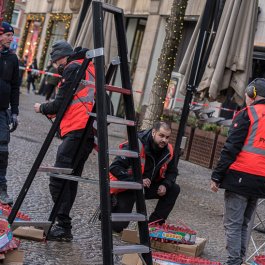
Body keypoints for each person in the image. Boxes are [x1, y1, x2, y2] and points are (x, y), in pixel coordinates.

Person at [210, 78, 265, 265]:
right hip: (260, 181)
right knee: (243, 224)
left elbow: (231, 148)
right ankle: (238, 263)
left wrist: (217, 176)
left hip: (240, 177)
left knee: (233, 224)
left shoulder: (248, 114)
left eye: (246, 94)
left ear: (251, 93)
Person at [34, 40, 95, 241]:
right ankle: (64, 226)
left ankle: (63, 225)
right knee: (70, 178)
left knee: (58, 178)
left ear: (61, 59)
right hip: (87, 131)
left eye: (54, 63)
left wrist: (41, 108)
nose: (55, 67)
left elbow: (61, 102)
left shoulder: (71, 68)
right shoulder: (89, 67)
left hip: (77, 128)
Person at [110, 121, 180, 233]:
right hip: (129, 187)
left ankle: (153, 224)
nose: (164, 140)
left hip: (148, 186)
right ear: (153, 133)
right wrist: (137, 181)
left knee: (174, 189)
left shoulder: (169, 150)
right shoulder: (135, 144)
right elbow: (114, 167)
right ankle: (110, 208)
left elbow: (172, 172)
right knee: (117, 227)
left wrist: (165, 185)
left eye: (167, 137)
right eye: (161, 136)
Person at [0, 22, 19, 205]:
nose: (11, 38)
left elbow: (15, 87)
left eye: (12, 35)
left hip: (2, 111)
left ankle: (1, 188)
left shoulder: (12, 59)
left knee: (2, 150)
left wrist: (15, 112)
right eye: (8, 35)